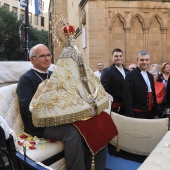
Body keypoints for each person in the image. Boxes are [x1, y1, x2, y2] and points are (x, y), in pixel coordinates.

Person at [17, 44, 108, 170]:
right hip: (40, 126)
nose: (47, 58)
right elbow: (27, 109)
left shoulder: (55, 75)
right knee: (73, 133)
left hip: (62, 120)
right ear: (32, 59)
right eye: (42, 56)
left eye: (48, 55)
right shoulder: (26, 79)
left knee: (95, 126)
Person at [123, 51, 158, 119]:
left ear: (149, 61)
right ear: (137, 60)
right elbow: (127, 97)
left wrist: (155, 113)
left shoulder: (150, 76)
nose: (144, 62)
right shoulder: (130, 75)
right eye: (142, 60)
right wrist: (130, 116)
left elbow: (153, 96)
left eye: (146, 60)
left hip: (150, 113)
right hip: (137, 114)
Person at [100, 48, 129, 115]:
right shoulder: (107, 71)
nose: (118, 58)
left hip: (127, 106)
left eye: (120, 56)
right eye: (116, 56)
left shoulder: (127, 71)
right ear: (112, 58)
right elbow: (104, 90)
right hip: (114, 107)